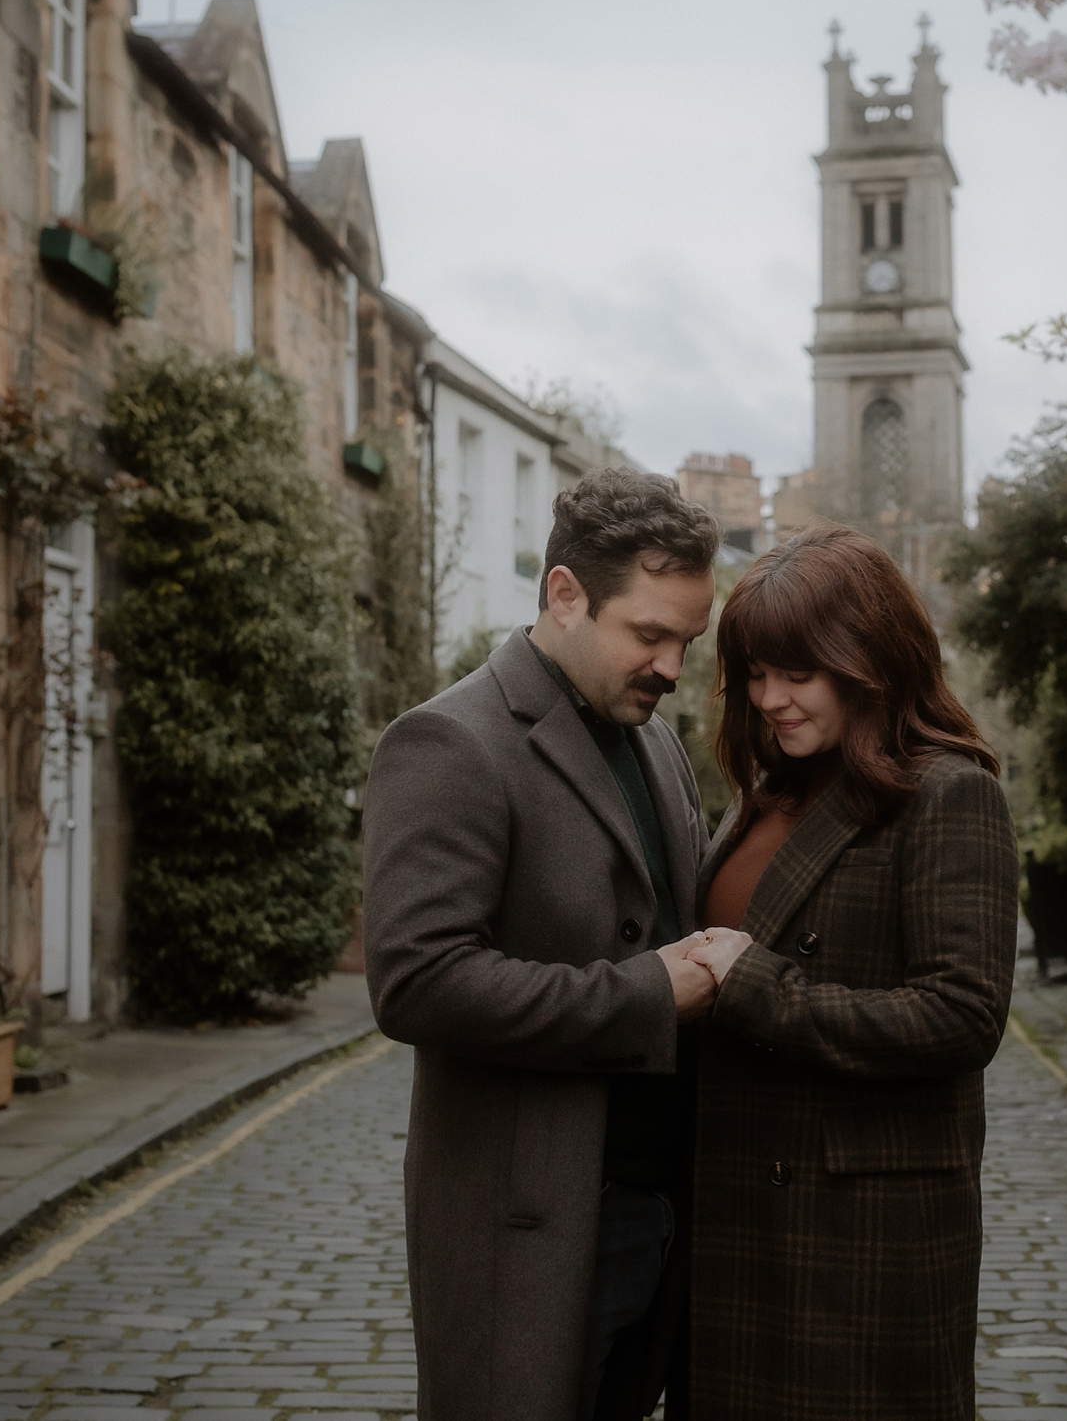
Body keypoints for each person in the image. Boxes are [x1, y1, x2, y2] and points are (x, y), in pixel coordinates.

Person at [363, 468, 722, 1421]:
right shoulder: (449, 742)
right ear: (565, 594)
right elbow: (416, 981)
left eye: (687, 642)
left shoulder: (657, 744)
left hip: (659, 1216)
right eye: (649, 634)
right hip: (529, 1231)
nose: (672, 668)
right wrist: (646, 994)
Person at [678, 522, 1019, 1421]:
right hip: (732, 1215)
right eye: (756, 672)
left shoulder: (948, 792)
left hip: (858, 1241)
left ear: (869, 660)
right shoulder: (766, 792)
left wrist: (757, 985)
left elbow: (964, 1014)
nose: (770, 698)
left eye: (798, 673)